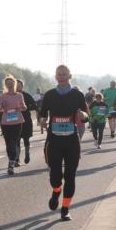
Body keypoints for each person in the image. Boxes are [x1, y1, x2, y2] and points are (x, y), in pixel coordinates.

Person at [39, 65, 88, 221]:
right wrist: (42, 120)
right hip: (54, 140)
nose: (62, 77)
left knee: (70, 176)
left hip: (71, 140)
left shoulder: (77, 94)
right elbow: (42, 114)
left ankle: (65, 208)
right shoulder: (49, 94)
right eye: (59, 74)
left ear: (70, 76)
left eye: (64, 74)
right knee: (55, 176)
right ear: (55, 77)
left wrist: (83, 115)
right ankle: (56, 190)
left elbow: (87, 115)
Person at [0, 75, 25, 176]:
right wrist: (2, 106)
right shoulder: (2, 96)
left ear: (14, 84)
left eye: (11, 83)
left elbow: (23, 107)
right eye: (7, 83)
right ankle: (11, 160)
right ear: (6, 85)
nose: (10, 85)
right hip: (6, 122)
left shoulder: (19, 95)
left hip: (17, 122)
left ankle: (11, 164)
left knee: (13, 142)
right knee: (8, 144)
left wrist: (22, 107)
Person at [17, 79, 38, 165]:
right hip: (15, 121)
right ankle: (16, 159)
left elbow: (34, 106)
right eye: (16, 85)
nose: (18, 87)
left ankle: (27, 154)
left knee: (26, 139)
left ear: (22, 86)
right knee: (16, 140)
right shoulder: (11, 95)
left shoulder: (27, 95)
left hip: (26, 120)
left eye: (19, 85)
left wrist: (26, 107)